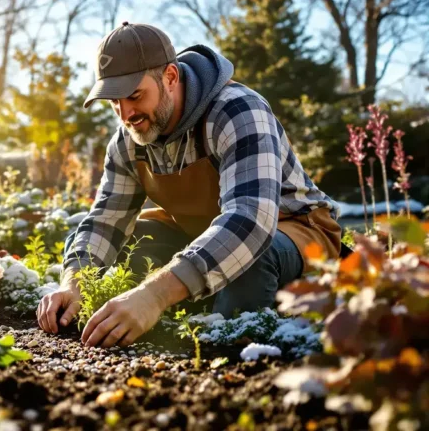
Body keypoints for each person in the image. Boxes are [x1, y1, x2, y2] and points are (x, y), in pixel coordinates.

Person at [36, 22, 342, 348]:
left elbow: (250, 222)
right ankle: (190, 303)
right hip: (199, 233)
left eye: (135, 96)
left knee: (250, 263)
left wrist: (153, 295)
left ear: (170, 77)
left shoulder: (237, 111)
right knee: (108, 247)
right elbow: (105, 222)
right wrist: (74, 283)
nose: (126, 114)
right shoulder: (129, 140)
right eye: (113, 102)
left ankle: (249, 326)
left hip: (290, 231)